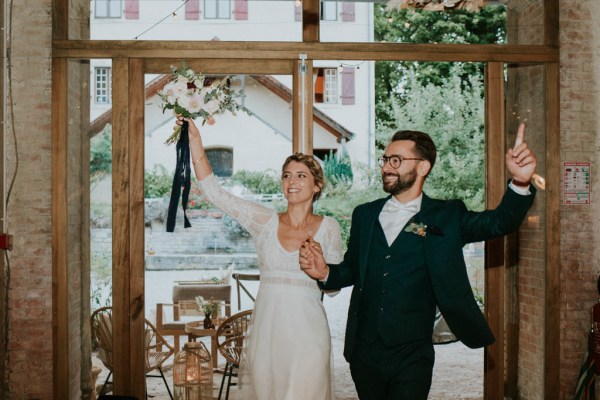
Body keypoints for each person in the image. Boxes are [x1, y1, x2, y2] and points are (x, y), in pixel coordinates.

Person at [299, 124, 537, 400]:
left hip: (412, 353)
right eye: (385, 159)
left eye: (396, 160)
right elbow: (352, 268)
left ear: (423, 167)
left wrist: (520, 182)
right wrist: (325, 271)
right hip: (364, 351)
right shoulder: (364, 215)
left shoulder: (447, 216)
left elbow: (499, 222)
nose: (387, 167)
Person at [176, 116, 344, 400]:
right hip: (268, 333)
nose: (291, 181)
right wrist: (195, 141)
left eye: (301, 175)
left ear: (317, 186)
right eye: (287, 175)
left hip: (309, 335)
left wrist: (322, 271)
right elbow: (215, 193)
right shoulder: (264, 222)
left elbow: (334, 287)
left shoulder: (330, 228)